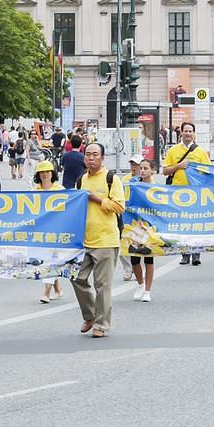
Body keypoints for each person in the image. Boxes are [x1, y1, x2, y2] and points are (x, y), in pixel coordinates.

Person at [72, 142, 124, 338]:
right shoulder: (81, 180)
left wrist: (97, 199)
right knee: (76, 278)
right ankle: (90, 314)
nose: (91, 158)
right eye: (88, 155)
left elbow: (119, 206)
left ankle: (101, 325)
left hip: (105, 240)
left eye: (95, 155)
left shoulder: (112, 179)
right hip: (83, 240)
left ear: (102, 158)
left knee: (102, 286)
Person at [162, 122, 210, 265]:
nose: (188, 134)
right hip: (178, 193)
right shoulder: (173, 151)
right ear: (181, 133)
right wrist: (178, 166)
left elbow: (208, 171)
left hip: (196, 193)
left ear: (194, 134)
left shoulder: (200, 152)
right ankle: (184, 254)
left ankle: (196, 254)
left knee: (195, 224)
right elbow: (164, 171)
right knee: (182, 225)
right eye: (186, 131)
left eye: (190, 131)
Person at [32, 160, 65, 304]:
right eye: (42, 172)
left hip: (56, 230)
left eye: (47, 171)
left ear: (53, 173)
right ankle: (58, 289)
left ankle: (46, 292)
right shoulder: (33, 191)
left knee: (50, 260)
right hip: (40, 230)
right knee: (48, 260)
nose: (45, 174)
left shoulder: (60, 190)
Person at [130, 159, 156, 302]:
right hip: (135, 226)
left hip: (150, 226)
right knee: (134, 258)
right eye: (141, 168)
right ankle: (140, 283)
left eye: (146, 168)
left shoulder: (155, 187)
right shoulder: (134, 184)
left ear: (152, 170)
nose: (143, 170)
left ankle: (147, 290)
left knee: (148, 258)